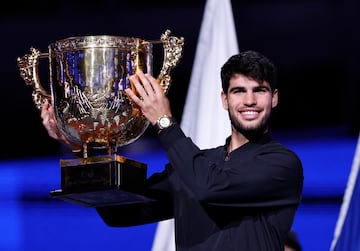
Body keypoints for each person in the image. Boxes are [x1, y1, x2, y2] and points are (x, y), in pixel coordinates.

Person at [41, 50, 304, 251]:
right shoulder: (195, 165)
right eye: (239, 91)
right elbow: (121, 212)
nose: (249, 100)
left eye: (260, 91)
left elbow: (209, 187)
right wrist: (83, 144)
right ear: (225, 99)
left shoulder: (281, 164)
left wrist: (165, 122)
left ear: (274, 98)